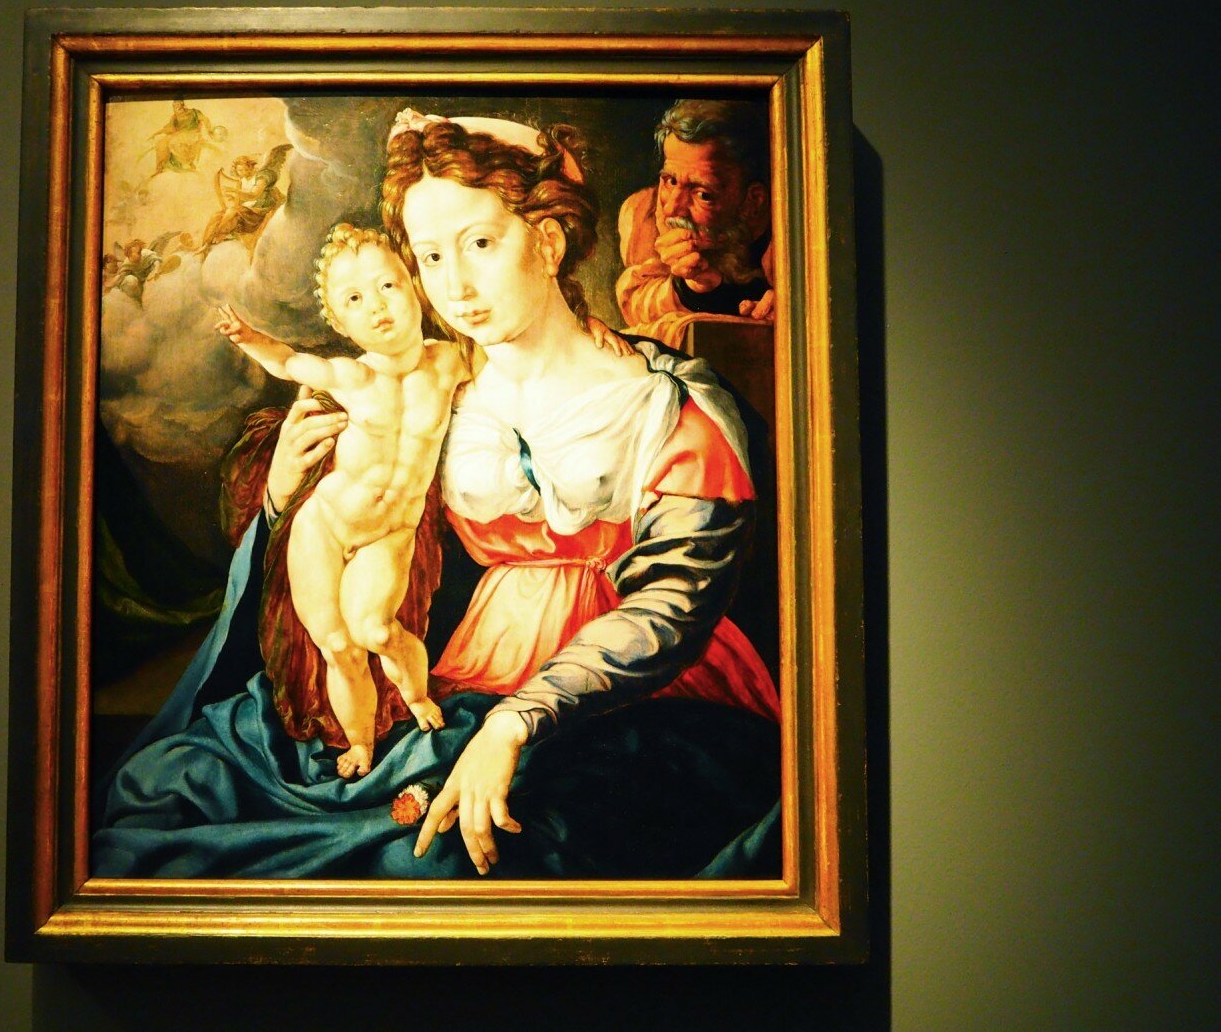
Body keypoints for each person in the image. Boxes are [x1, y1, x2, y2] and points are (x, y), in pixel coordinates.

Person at [93, 109, 780, 881]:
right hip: (464, 680)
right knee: (179, 785)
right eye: (429, 256)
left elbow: (675, 602)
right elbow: (367, 540)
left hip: (644, 695)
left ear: (548, 241)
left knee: (455, 855)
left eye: (479, 244)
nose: (454, 285)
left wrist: (518, 721)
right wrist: (286, 500)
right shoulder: (436, 398)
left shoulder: (665, 401)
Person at [213, 224, 464, 778]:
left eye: (387, 286)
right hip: (323, 527)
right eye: (354, 299)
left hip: (389, 533)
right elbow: (287, 362)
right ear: (340, 324)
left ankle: (416, 696)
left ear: (415, 285)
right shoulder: (350, 375)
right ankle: (360, 745)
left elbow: (521, 357)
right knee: (337, 644)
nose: (376, 306)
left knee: (376, 630)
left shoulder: (451, 362)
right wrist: (248, 337)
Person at [616, 99, 775, 334]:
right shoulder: (644, 213)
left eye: (703, 194)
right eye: (671, 181)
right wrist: (693, 287)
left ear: (753, 200)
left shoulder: (790, 227)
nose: (672, 208)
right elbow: (637, 302)